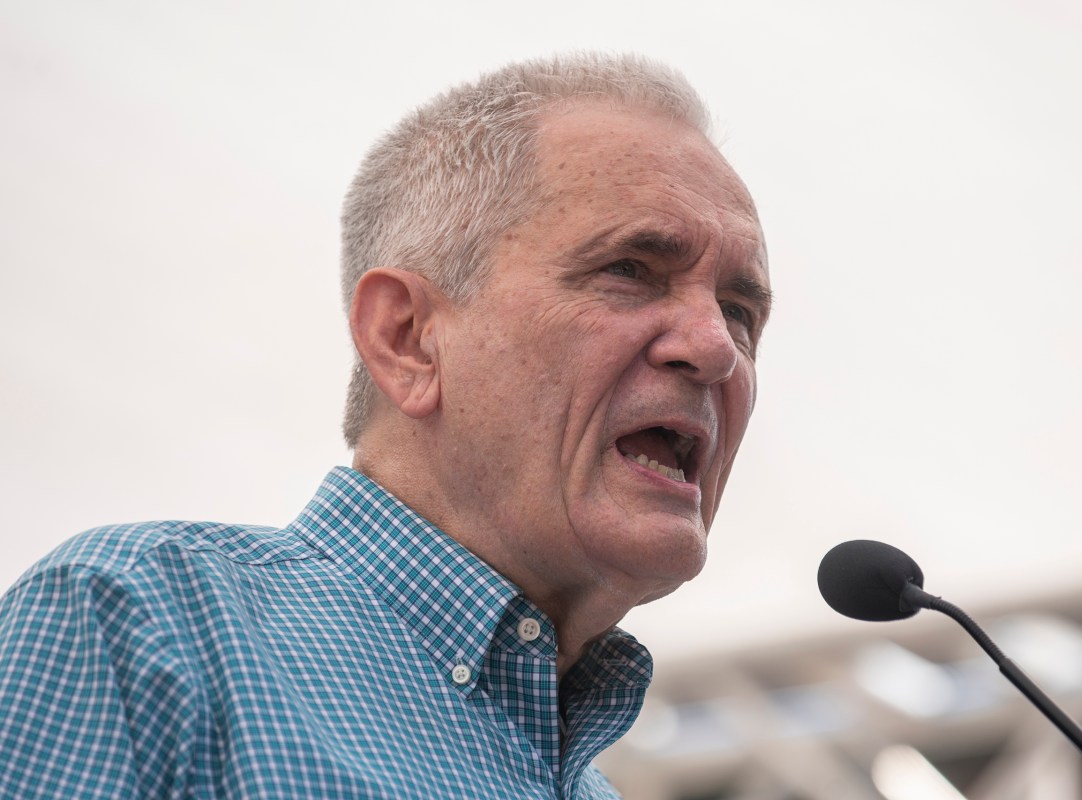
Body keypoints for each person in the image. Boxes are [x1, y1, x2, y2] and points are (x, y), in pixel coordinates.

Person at [0, 53, 771, 798]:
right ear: (406, 338)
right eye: (629, 270)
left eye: (739, 312)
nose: (714, 349)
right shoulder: (142, 622)